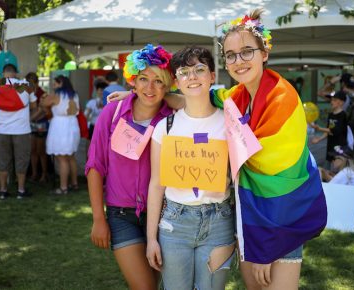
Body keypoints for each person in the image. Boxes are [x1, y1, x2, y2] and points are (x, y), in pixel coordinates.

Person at [108, 10, 327, 289]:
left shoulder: (280, 98)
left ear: (265, 53)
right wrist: (142, 93)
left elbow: (276, 183)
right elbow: (198, 97)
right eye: (232, 55)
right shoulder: (237, 97)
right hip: (247, 220)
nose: (239, 60)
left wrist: (266, 248)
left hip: (280, 220)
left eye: (247, 51)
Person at [85, 44, 174, 290]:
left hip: (164, 214)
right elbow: (95, 167)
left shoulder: (174, 117)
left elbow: (200, 101)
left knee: (157, 284)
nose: (150, 87)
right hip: (121, 215)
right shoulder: (112, 113)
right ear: (132, 80)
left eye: (158, 81)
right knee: (144, 287)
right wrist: (98, 218)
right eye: (143, 79)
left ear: (168, 85)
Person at [146, 46, 235, 290]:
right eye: (184, 72)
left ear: (213, 77)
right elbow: (156, 184)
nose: (192, 77)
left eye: (199, 69)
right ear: (176, 81)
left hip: (219, 221)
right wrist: (151, 238)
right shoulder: (165, 127)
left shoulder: (230, 124)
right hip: (174, 224)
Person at [0, 63, 37, 199]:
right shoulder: (25, 84)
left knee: (3, 161)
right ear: (16, 72)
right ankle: (21, 191)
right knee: (21, 160)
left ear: (3, 73)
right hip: (22, 130)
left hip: (2, 130)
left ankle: (3, 191)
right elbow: (34, 106)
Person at [42, 75, 80, 194]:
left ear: (61, 83)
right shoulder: (74, 95)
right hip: (73, 124)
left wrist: (45, 97)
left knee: (62, 158)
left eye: (55, 83)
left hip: (61, 127)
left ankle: (63, 188)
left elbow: (43, 103)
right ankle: (74, 184)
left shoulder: (56, 96)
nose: (53, 85)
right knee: (71, 157)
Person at [320, 145, 354, 212]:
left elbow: (328, 190)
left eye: (334, 159)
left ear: (342, 160)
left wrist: (324, 175)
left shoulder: (345, 173)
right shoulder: (352, 170)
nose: (332, 161)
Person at [311, 91, 349, 165]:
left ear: (341, 103)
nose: (332, 102)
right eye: (331, 100)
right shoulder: (331, 115)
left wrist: (319, 128)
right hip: (330, 146)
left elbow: (335, 130)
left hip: (339, 147)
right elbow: (328, 130)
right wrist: (319, 139)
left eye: (335, 100)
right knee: (329, 165)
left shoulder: (342, 115)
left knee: (337, 166)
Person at [26, 72, 49, 183]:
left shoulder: (42, 93)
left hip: (41, 125)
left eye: (32, 82)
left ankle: (44, 174)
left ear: (36, 82)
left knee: (41, 151)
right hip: (31, 124)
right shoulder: (26, 92)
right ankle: (34, 173)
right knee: (32, 151)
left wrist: (33, 117)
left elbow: (45, 111)